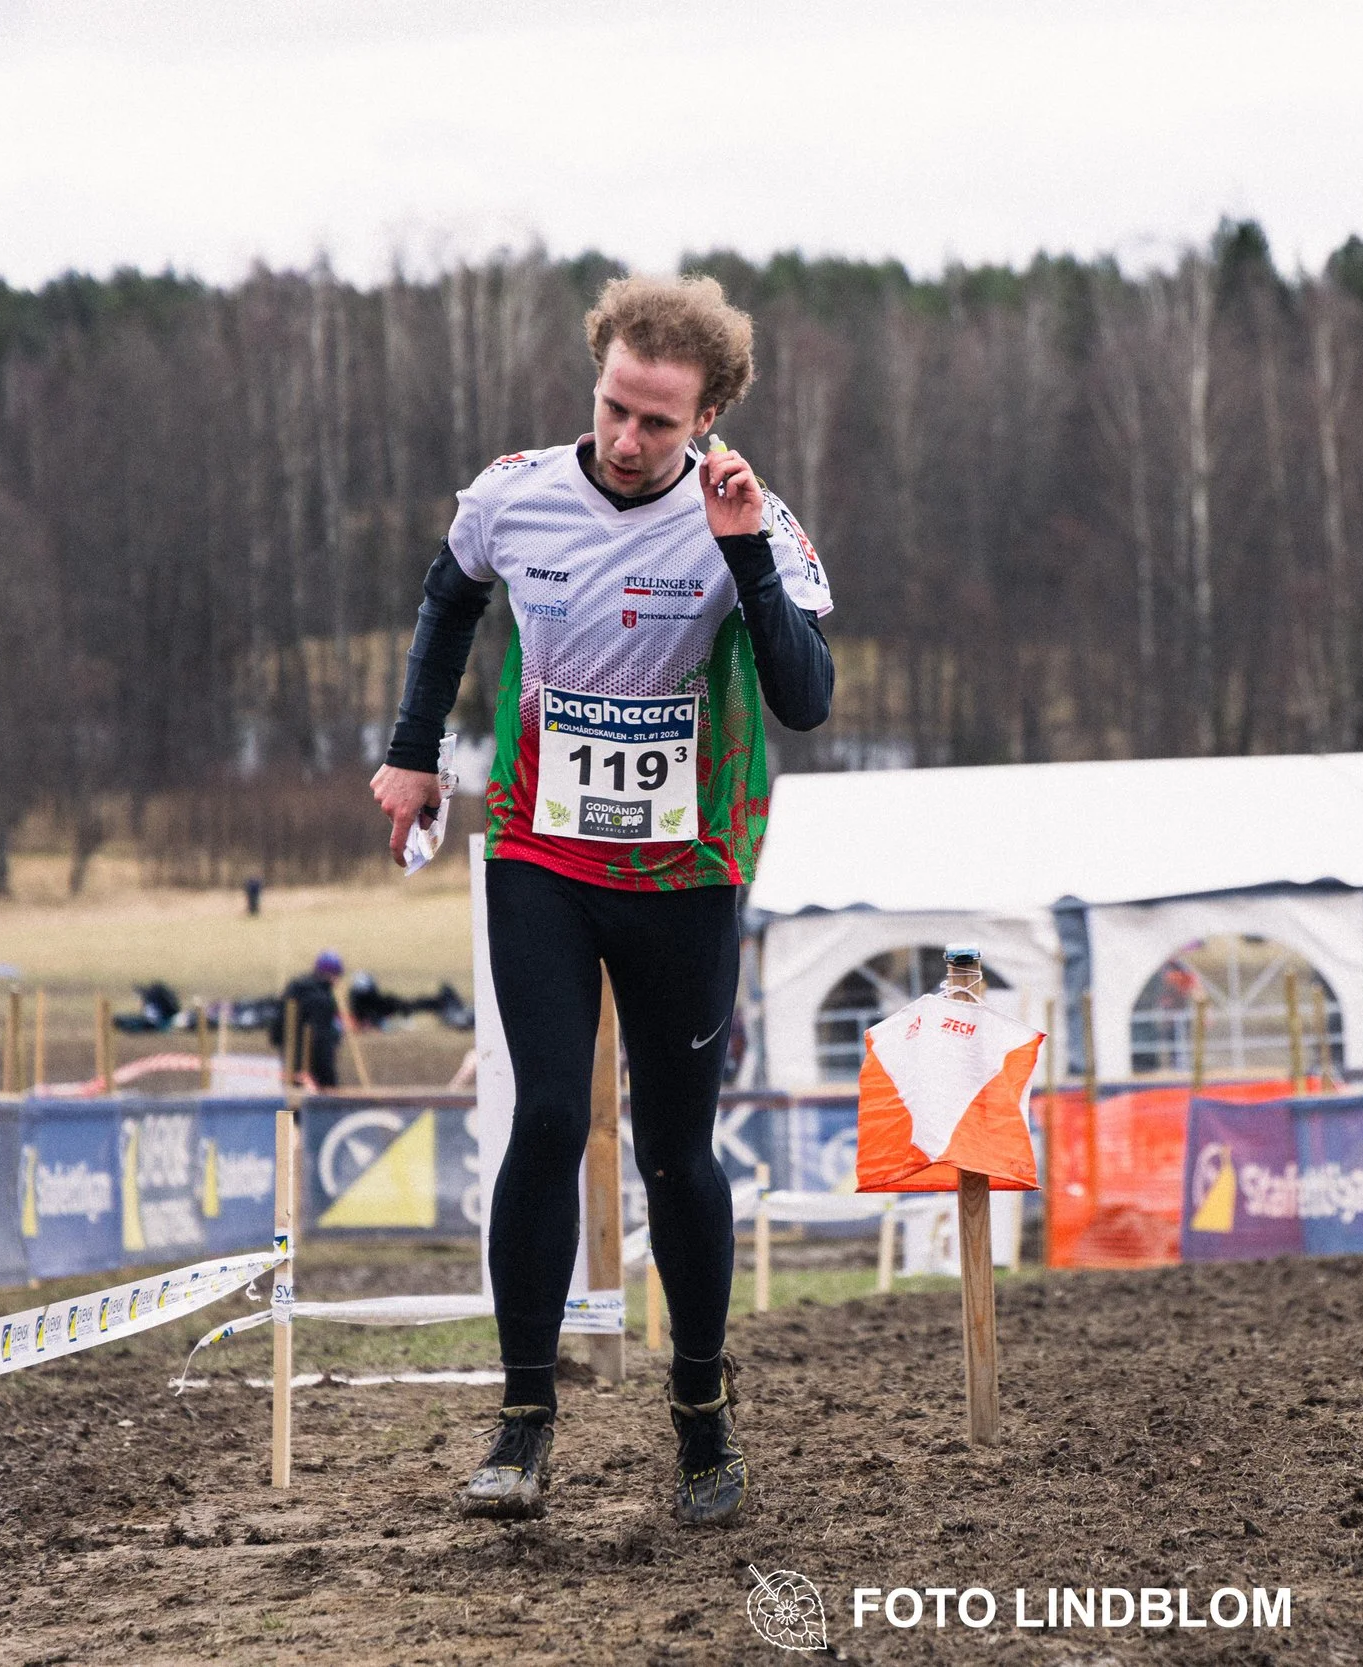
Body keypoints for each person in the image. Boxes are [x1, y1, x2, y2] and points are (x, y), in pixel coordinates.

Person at [370, 274, 832, 1527]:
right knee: (547, 1117)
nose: (629, 442)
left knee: (679, 1151)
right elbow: (448, 590)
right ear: (596, 380)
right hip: (544, 855)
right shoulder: (515, 490)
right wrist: (416, 749)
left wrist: (742, 555)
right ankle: (523, 1420)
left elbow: (803, 697)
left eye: (659, 424)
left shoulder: (752, 519)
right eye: (615, 408)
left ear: (711, 418)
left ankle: (699, 1412)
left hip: (684, 872)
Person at [265, 950, 345, 1089]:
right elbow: (322, 1039)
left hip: (289, 1057)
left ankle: (287, 1112)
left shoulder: (294, 989)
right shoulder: (323, 1000)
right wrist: (329, 1081)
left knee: (288, 1101)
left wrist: (281, 1043)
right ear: (332, 975)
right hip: (313, 1064)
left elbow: (278, 1024)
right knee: (319, 1105)